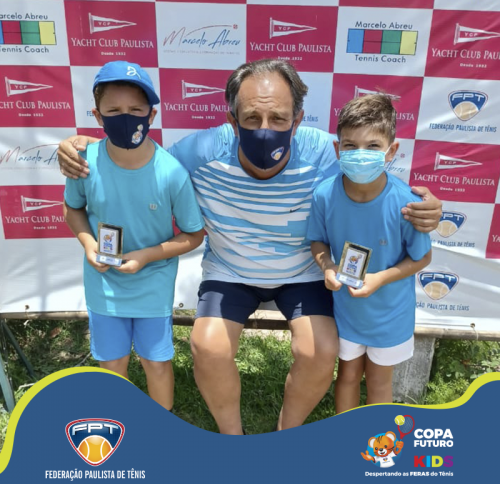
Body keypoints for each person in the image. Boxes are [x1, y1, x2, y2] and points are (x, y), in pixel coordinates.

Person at [58, 58, 442, 434]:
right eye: (252, 118)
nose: (265, 129)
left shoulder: (328, 153)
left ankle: (286, 436)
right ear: (232, 120)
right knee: (208, 347)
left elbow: (378, 177)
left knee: (320, 350)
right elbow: (141, 159)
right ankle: (233, 439)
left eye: (279, 118)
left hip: (302, 273)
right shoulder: (200, 151)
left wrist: (428, 208)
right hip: (230, 272)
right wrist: (90, 145)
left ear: (297, 120)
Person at [63, 61, 205, 411]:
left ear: (151, 115)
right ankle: (120, 428)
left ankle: (160, 429)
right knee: (112, 365)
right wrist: (89, 244)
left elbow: (194, 234)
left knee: (156, 363)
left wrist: (147, 255)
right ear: (98, 116)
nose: (125, 118)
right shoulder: (84, 162)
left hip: (152, 286)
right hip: (104, 286)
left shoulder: (172, 173)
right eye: (113, 111)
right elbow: (72, 209)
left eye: (136, 110)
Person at [307, 94, 432, 413]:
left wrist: (380, 278)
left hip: (390, 315)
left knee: (378, 382)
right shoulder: (324, 194)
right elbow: (317, 242)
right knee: (347, 376)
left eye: (373, 146)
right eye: (350, 145)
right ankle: (348, 436)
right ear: (338, 149)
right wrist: (327, 266)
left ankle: (377, 439)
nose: (360, 154)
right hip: (346, 311)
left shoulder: (407, 203)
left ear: (391, 150)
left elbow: (422, 258)